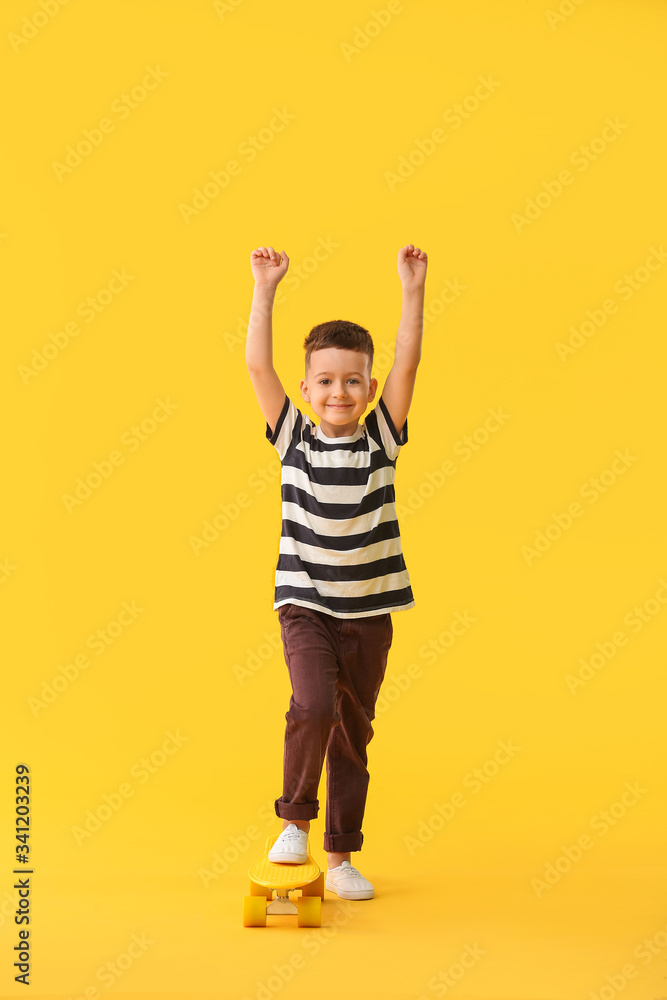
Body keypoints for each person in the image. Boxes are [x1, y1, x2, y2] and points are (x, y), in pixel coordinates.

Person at [245, 243, 428, 900]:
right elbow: (256, 363)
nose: (338, 391)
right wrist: (265, 288)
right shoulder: (292, 434)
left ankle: (343, 856)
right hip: (305, 601)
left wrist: (412, 292)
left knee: (353, 730)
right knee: (314, 705)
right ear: (305, 390)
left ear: (370, 389)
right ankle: (294, 819)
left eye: (352, 380)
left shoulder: (382, 433)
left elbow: (407, 360)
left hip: (369, 611)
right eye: (324, 380)